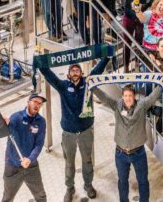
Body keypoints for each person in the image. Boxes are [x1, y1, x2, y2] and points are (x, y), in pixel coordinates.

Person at [39, 59, 111, 201]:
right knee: (69, 162)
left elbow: (98, 70)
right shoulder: (63, 86)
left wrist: (106, 56)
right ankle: (70, 188)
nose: (75, 72)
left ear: (82, 73)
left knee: (87, 160)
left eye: (77, 70)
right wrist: (40, 62)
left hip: (86, 131)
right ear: (68, 75)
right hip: (68, 134)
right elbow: (49, 75)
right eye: (72, 70)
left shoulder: (88, 83)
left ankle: (88, 185)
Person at [92, 82, 163, 202]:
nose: (128, 98)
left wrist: (162, 81)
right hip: (121, 154)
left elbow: (153, 97)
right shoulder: (116, 105)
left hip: (138, 153)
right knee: (122, 181)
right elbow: (104, 97)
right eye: (125, 96)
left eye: (130, 96)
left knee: (143, 181)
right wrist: (92, 87)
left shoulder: (142, 106)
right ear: (122, 96)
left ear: (134, 96)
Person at [2, 94, 47, 202]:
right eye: (35, 101)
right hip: (13, 166)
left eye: (40, 103)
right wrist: (7, 125)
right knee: (7, 198)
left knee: (41, 196)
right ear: (28, 102)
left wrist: (30, 159)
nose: (37, 105)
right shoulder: (16, 118)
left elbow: (39, 144)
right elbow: (12, 138)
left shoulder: (41, 122)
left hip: (31, 166)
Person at [112, 0, 156, 70]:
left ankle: (137, 65)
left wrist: (144, 7)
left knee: (139, 44)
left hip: (141, 17)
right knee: (127, 43)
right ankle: (126, 67)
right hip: (128, 17)